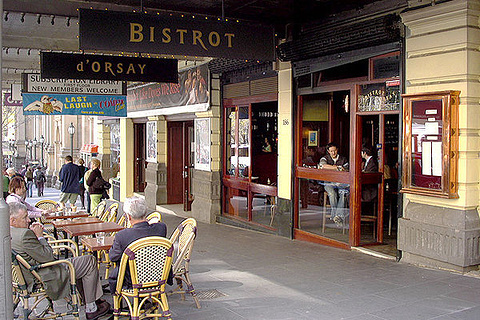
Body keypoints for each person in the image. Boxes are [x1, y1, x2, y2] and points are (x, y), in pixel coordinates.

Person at [9, 202, 111, 320]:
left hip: (31, 273)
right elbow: (48, 256)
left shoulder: (8, 233)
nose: (28, 220)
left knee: (83, 263)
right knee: (89, 261)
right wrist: (40, 237)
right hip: (47, 273)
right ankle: (91, 308)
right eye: (24, 217)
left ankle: (92, 300)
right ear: (13, 220)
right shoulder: (24, 235)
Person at [108, 197, 168, 293]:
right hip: (158, 276)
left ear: (129, 216)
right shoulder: (161, 228)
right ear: (145, 213)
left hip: (133, 280)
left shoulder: (122, 236)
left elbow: (113, 257)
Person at [318, 142, 349, 226]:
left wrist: (342, 169)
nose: (333, 153)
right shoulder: (325, 158)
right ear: (328, 151)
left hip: (340, 182)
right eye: (331, 151)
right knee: (332, 193)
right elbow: (322, 165)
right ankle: (337, 216)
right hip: (328, 182)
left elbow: (346, 169)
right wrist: (337, 168)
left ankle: (336, 216)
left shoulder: (343, 159)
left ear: (337, 150)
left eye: (334, 151)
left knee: (343, 193)